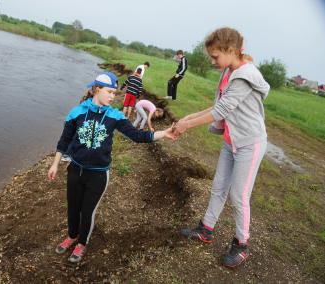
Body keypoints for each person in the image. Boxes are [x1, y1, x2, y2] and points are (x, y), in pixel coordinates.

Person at [48, 72, 174, 263]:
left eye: (114, 93)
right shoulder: (77, 112)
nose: (112, 96)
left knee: (87, 211)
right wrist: (55, 164)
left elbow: (137, 136)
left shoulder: (115, 116)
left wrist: (164, 133)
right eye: (109, 92)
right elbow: (64, 141)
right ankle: (72, 236)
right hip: (75, 170)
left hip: (98, 176)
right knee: (73, 208)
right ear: (96, 90)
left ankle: (82, 242)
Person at [172, 27, 270, 268]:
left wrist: (187, 126)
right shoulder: (228, 70)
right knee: (218, 187)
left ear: (231, 50)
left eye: (215, 56)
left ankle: (242, 244)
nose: (213, 61)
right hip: (231, 140)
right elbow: (218, 104)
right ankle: (206, 229)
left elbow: (221, 111)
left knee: (238, 195)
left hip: (250, 143)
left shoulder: (245, 75)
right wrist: (188, 118)